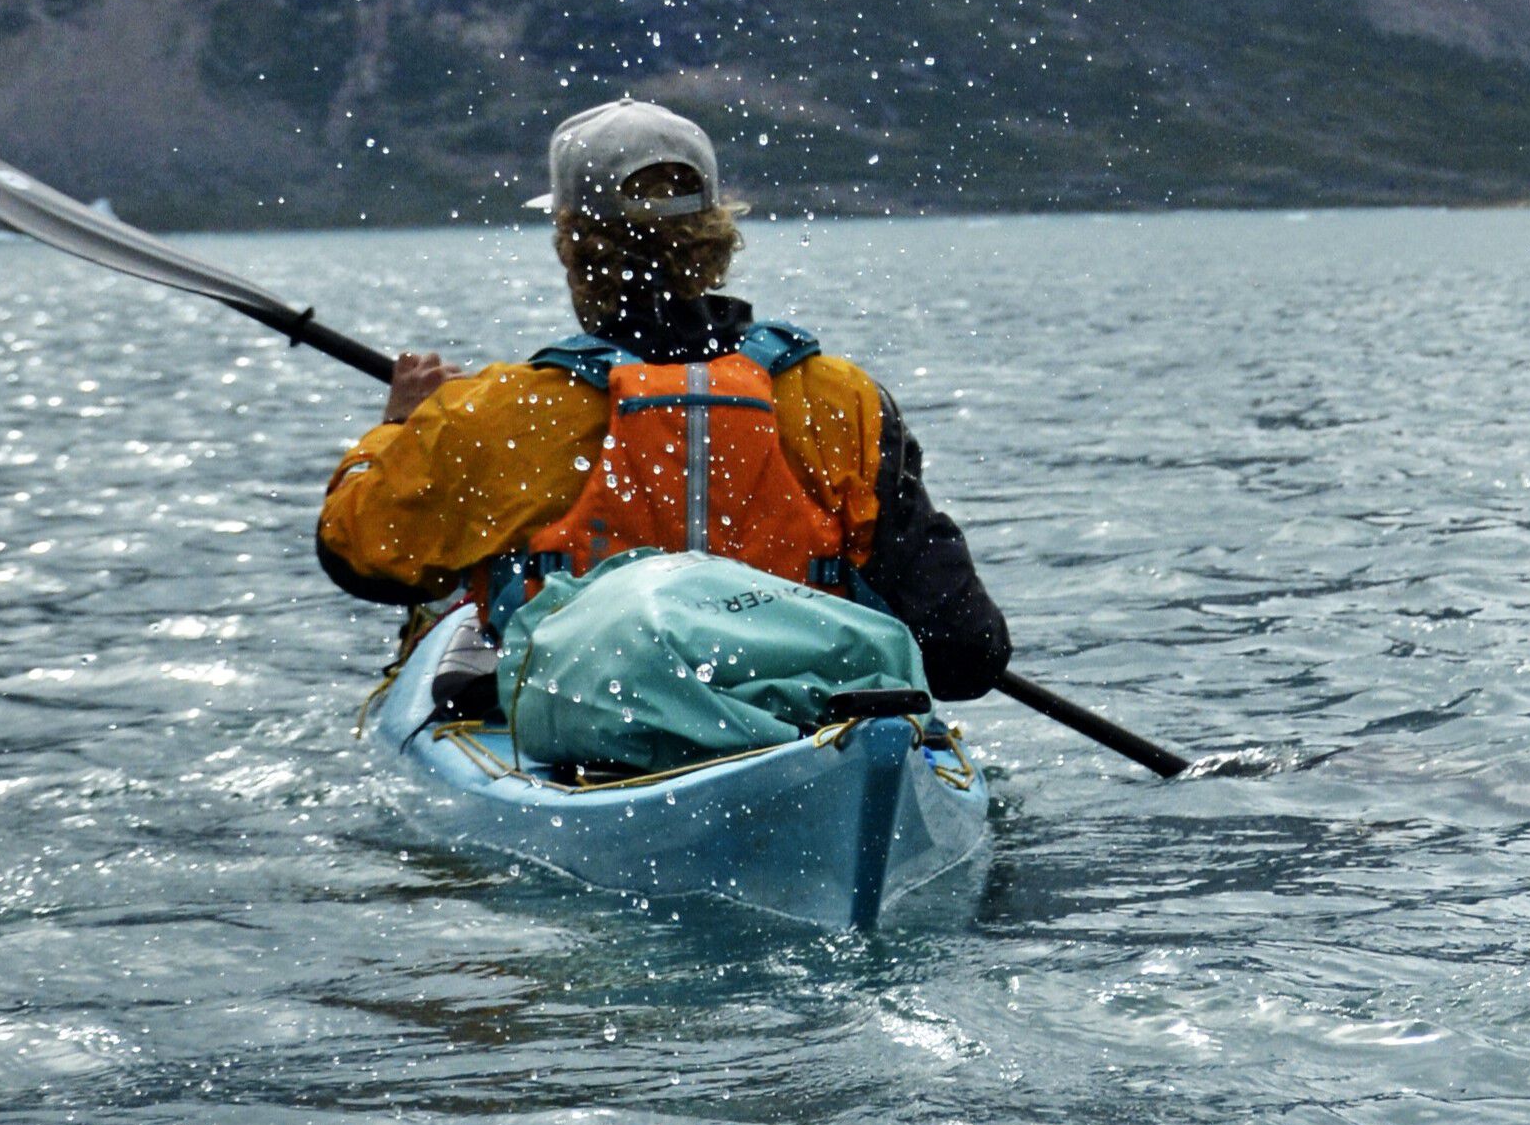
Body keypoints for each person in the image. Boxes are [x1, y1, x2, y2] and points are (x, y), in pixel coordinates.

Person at [317, 95, 1012, 703]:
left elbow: (362, 556)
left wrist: (400, 427)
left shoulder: (503, 412)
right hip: (802, 719)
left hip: (588, 729)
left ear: (572, 249)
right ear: (716, 239)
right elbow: (964, 652)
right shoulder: (840, 400)